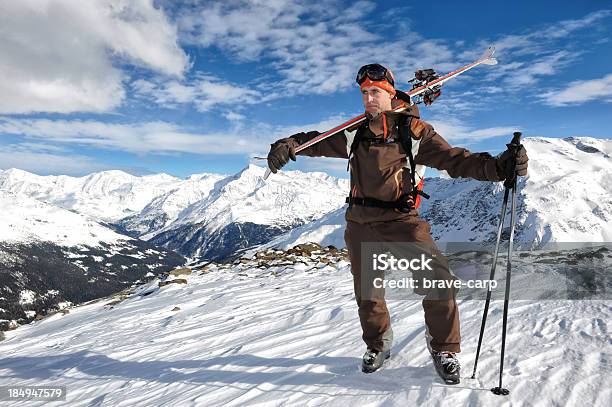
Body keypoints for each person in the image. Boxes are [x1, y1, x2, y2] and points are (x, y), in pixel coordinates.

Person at [266, 63, 528, 384]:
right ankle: (378, 345)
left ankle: (444, 348)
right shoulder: (355, 133)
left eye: (375, 92)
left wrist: (499, 168)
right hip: (360, 222)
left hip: (402, 220)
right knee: (368, 292)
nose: (368, 99)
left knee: (438, 280)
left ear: (390, 94)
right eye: (364, 93)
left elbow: (456, 160)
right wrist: (287, 143)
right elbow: (317, 141)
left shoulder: (414, 132)